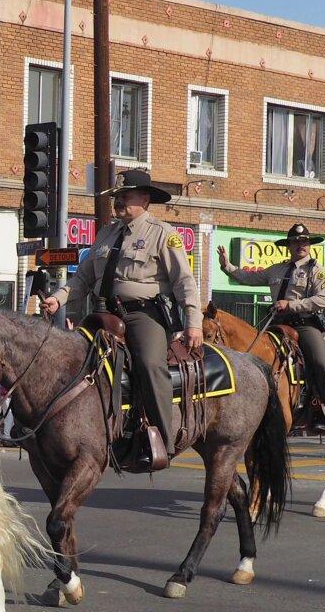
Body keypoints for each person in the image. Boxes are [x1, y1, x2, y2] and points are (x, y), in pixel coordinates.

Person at [43, 169, 203, 469]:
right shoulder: (106, 233)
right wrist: (58, 298)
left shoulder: (162, 234)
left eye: (125, 196)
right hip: (102, 313)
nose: (118, 202)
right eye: (116, 197)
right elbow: (83, 278)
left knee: (149, 364)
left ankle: (162, 439)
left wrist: (194, 323)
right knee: (71, 358)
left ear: (144, 199)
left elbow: (184, 281)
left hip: (142, 314)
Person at [217, 224, 325, 430]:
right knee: (249, 351)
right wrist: (227, 265)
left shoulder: (317, 271)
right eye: (296, 242)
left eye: (304, 241)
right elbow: (249, 278)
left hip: (304, 325)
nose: (300, 245)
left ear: (309, 244)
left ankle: (324, 408)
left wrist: (290, 305)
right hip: (277, 324)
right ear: (289, 246)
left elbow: (324, 299)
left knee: (320, 362)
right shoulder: (277, 269)